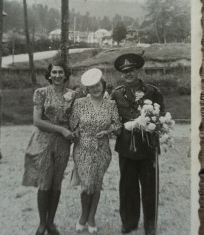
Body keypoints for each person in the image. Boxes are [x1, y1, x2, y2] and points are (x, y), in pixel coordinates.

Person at [111, 53, 165, 235]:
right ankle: (129, 222)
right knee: (127, 186)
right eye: (124, 71)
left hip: (148, 145)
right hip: (126, 146)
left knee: (150, 186)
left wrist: (151, 125)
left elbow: (162, 116)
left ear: (138, 70)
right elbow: (112, 118)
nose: (128, 74)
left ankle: (150, 224)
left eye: (131, 70)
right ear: (121, 73)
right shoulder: (116, 93)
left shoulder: (152, 91)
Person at [22, 60, 76, 235]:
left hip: (63, 144)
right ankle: (42, 223)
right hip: (44, 142)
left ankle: (51, 222)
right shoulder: (41, 93)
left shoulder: (72, 94)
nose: (58, 75)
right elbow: (37, 121)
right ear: (49, 74)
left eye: (61, 72)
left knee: (56, 183)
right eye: (54, 72)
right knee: (45, 182)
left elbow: (75, 119)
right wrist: (61, 129)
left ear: (66, 74)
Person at [70, 68, 121, 234]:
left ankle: (91, 217)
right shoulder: (79, 104)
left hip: (102, 150)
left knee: (96, 185)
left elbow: (118, 126)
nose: (96, 89)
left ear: (103, 85)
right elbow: (72, 124)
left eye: (98, 85)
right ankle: (83, 216)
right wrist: (75, 132)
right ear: (87, 89)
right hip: (83, 149)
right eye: (92, 87)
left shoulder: (111, 105)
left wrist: (107, 131)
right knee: (86, 185)